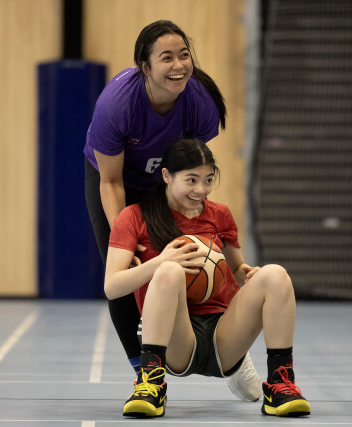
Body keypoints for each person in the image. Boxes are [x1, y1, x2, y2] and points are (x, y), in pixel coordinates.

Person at [83, 20, 260, 401]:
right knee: (126, 275)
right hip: (117, 180)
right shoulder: (117, 106)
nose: (179, 65)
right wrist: (127, 242)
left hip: (169, 178)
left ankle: (232, 353)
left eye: (184, 55)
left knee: (198, 257)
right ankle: (147, 376)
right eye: (166, 58)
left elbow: (192, 165)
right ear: (144, 67)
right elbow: (110, 182)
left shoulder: (200, 103)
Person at [104, 138, 311, 418]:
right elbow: (112, 287)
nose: (201, 190)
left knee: (276, 274)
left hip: (223, 336)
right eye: (191, 180)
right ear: (167, 175)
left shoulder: (220, 215)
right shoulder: (133, 217)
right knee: (169, 270)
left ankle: (280, 384)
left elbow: (237, 268)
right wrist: (160, 262)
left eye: (208, 180)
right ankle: (150, 383)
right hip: (176, 340)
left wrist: (249, 274)